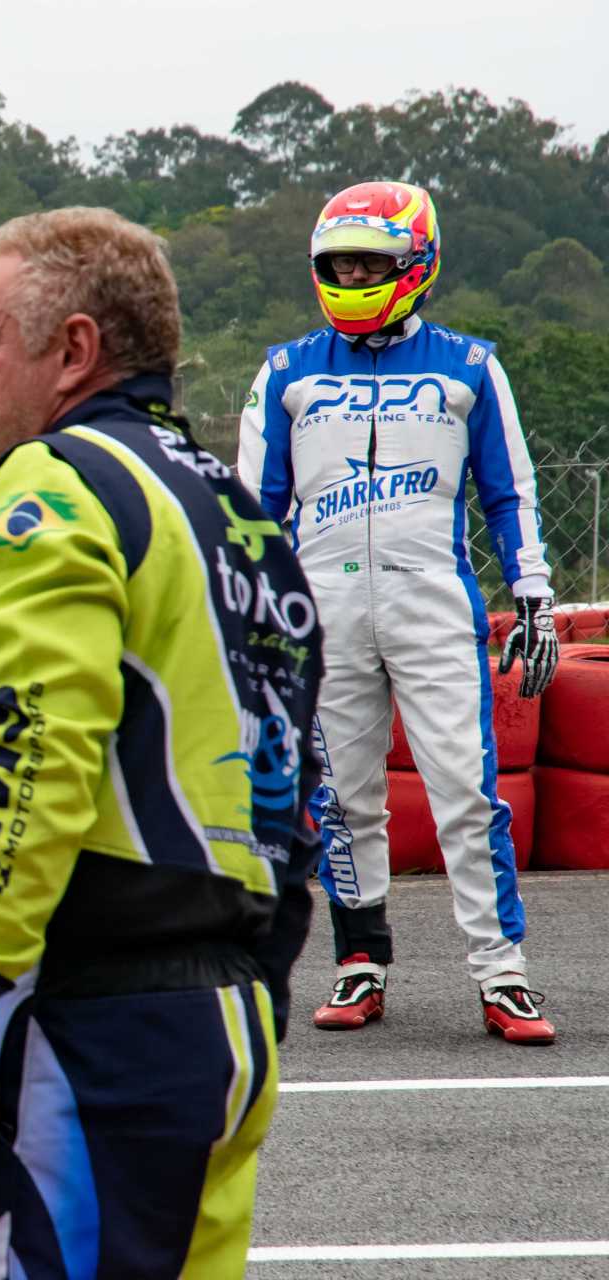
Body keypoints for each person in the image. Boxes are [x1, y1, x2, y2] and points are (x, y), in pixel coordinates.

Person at [0, 206, 324, 1278]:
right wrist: (256, 987)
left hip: (78, 1034)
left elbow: (32, 772)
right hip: (226, 1027)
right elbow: (299, 796)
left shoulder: (54, 485)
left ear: (73, 351)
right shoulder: (243, 517)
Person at [236, 180, 559, 1045]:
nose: (350, 277)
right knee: (343, 799)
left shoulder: (470, 366)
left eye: (368, 264)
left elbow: (510, 492)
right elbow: (254, 512)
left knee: (467, 794)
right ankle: (359, 963)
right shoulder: (286, 371)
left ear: (417, 263)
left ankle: (502, 973)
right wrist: (250, 619)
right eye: (338, 263)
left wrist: (533, 593)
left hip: (434, 606)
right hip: (323, 613)